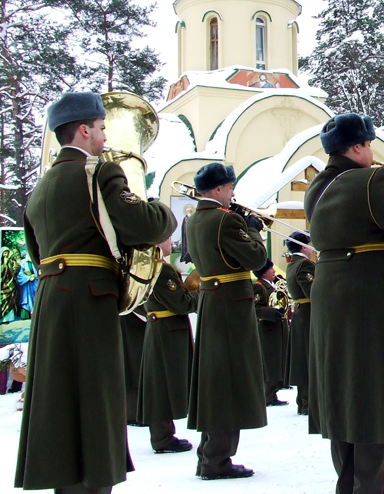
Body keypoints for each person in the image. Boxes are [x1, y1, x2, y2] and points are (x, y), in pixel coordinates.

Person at [15, 91, 177, 493]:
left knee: (61, 403)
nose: (106, 137)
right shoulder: (100, 172)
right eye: (102, 128)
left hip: (51, 299)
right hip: (90, 298)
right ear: (84, 130)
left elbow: (37, 253)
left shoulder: (39, 189)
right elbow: (145, 225)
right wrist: (161, 209)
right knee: (96, 399)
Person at [305, 112, 384, 494]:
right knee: (377, 395)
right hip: (374, 296)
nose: (373, 152)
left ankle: (362, 484)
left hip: (334, 293)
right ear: (358, 146)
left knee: (347, 396)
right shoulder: (375, 180)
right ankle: (369, 488)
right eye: (369, 144)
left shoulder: (317, 187)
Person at [186, 162, 268, 479]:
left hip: (212, 301)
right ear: (218, 188)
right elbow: (256, 258)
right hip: (231, 306)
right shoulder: (225, 220)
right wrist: (252, 229)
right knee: (228, 382)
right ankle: (217, 460)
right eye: (230, 187)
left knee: (214, 380)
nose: (233, 193)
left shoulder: (195, 219)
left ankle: (208, 454)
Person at [136, 237, 198, 453]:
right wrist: (201, 293)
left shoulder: (148, 265)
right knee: (162, 385)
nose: (171, 243)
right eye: (167, 238)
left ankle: (163, 434)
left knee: (159, 383)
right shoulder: (162, 269)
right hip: (168, 331)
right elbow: (180, 303)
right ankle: (163, 438)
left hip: (159, 327)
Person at [284, 231, 315, 415]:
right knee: (309, 358)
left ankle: (303, 401)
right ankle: (307, 402)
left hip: (300, 313)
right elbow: (312, 290)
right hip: (309, 314)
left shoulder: (292, 263)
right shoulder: (304, 264)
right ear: (303, 247)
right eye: (309, 244)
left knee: (302, 359)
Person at [252, 259, 289, 407]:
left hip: (277, 329)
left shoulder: (273, 285)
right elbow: (255, 309)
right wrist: (271, 313)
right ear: (263, 273)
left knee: (277, 361)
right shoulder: (259, 287)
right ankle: (268, 395)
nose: (274, 271)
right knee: (270, 363)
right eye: (271, 269)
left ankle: (273, 393)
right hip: (268, 331)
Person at [15, 246, 37, 319]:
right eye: (27, 253)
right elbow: (19, 274)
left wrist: (34, 276)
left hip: (35, 282)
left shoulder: (34, 261)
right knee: (27, 298)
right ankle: (26, 314)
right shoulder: (22, 262)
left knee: (36, 297)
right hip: (26, 284)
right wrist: (28, 278)